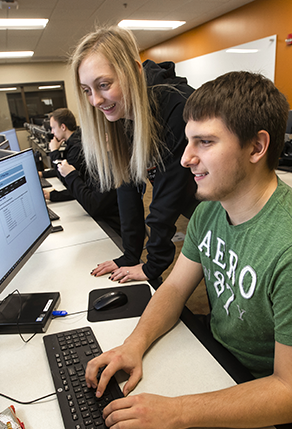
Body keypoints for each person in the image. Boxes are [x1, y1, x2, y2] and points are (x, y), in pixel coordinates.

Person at [84, 71, 292, 429]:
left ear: (256, 147)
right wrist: (134, 344)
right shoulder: (211, 208)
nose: (185, 158)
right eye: (188, 140)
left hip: (267, 392)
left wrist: (177, 411)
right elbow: (176, 288)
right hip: (219, 359)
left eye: (205, 142)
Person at [71, 26, 198, 284]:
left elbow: (167, 195)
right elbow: (126, 187)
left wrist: (153, 266)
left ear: (134, 72)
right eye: (86, 90)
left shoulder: (175, 108)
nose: (95, 100)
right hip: (197, 212)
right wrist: (129, 255)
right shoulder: (124, 114)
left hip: (228, 214)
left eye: (103, 85)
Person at [45, 108, 121, 234]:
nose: (84, 141)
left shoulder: (110, 167)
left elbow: (93, 205)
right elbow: (85, 189)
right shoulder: (102, 161)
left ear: (105, 137)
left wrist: (56, 156)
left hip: (110, 229)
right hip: (102, 221)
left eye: (88, 135)